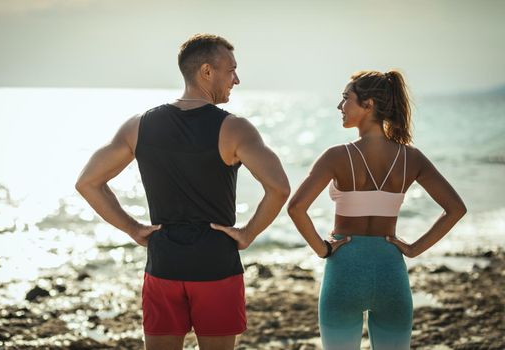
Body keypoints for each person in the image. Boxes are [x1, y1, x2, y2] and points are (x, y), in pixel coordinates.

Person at [75, 33, 290, 350]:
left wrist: (133, 229)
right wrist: (247, 234)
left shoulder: (139, 125)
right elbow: (279, 187)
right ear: (206, 71)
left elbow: (88, 183)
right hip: (216, 265)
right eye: (231, 70)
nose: (237, 79)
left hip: (164, 263)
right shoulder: (235, 129)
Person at [287, 70, 466, 349]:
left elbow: (297, 208)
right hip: (390, 271)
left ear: (368, 104)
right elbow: (455, 209)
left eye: (346, 98)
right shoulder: (412, 157)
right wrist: (414, 249)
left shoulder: (336, 156)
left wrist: (322, 249)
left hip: (344, 272)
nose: (340, 106)